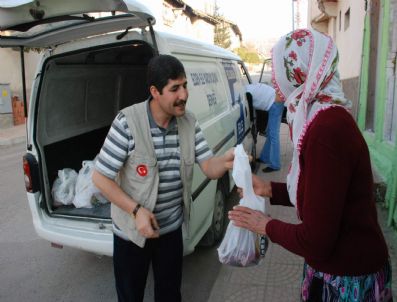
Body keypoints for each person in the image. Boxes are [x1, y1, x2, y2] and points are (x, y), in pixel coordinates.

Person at [229, 29, 393, 301]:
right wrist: (270, 189)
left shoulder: (326, 130)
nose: (276, 81)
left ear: (300, 72)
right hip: (342, 268)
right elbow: (321, 197)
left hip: (347, 276)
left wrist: (264, 225)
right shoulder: (321, 117)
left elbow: (316, 241)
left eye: (282, 68)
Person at [92, 54, 234, 302]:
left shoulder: (189, 122)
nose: (184, 95)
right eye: (175, 88)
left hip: (170, 230)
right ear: (155, 91)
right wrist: (136, 211)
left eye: (185, 85)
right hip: (131, 235)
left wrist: (229, 159)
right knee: (130, 295)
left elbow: (209, 166)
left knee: (169, 294)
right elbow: (100, 177)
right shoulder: (127, 122)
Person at [246, 83, 284, 172]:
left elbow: (250, 113)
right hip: (275, 99)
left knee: (274, 135)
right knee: (270, 134)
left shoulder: (246, 94)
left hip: (275, 103)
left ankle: (275, 165)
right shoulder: (247, 88)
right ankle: (265, 158)